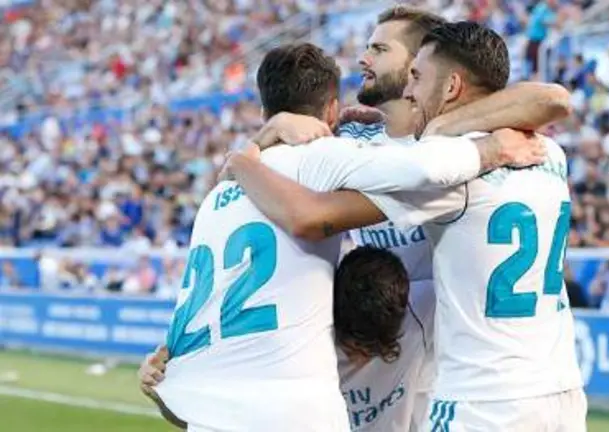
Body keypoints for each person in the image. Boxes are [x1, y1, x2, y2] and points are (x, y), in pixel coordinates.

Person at [147, 43, 540, 432]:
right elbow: (424, 169)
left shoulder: (218, 196)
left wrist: (252, 144)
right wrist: (490, 149)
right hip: (292, 409)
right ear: (332, 109)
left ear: (265, 107)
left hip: (210, 410)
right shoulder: (319, 157)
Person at [226, 22, 585, 431]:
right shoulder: (548, 151)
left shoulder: (449, 173)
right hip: (561, 389)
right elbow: (547, 98)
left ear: (451, 86)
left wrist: (245, 159)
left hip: (483, 398)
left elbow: (309, 217)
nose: (409, 92)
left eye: (417, 77)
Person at [140, 246, 435, 431]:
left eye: (379, 348)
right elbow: (213, 421)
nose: (362, 358)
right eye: (353, 347)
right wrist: (161, 393)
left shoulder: (424, 311)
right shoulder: (292, 344)